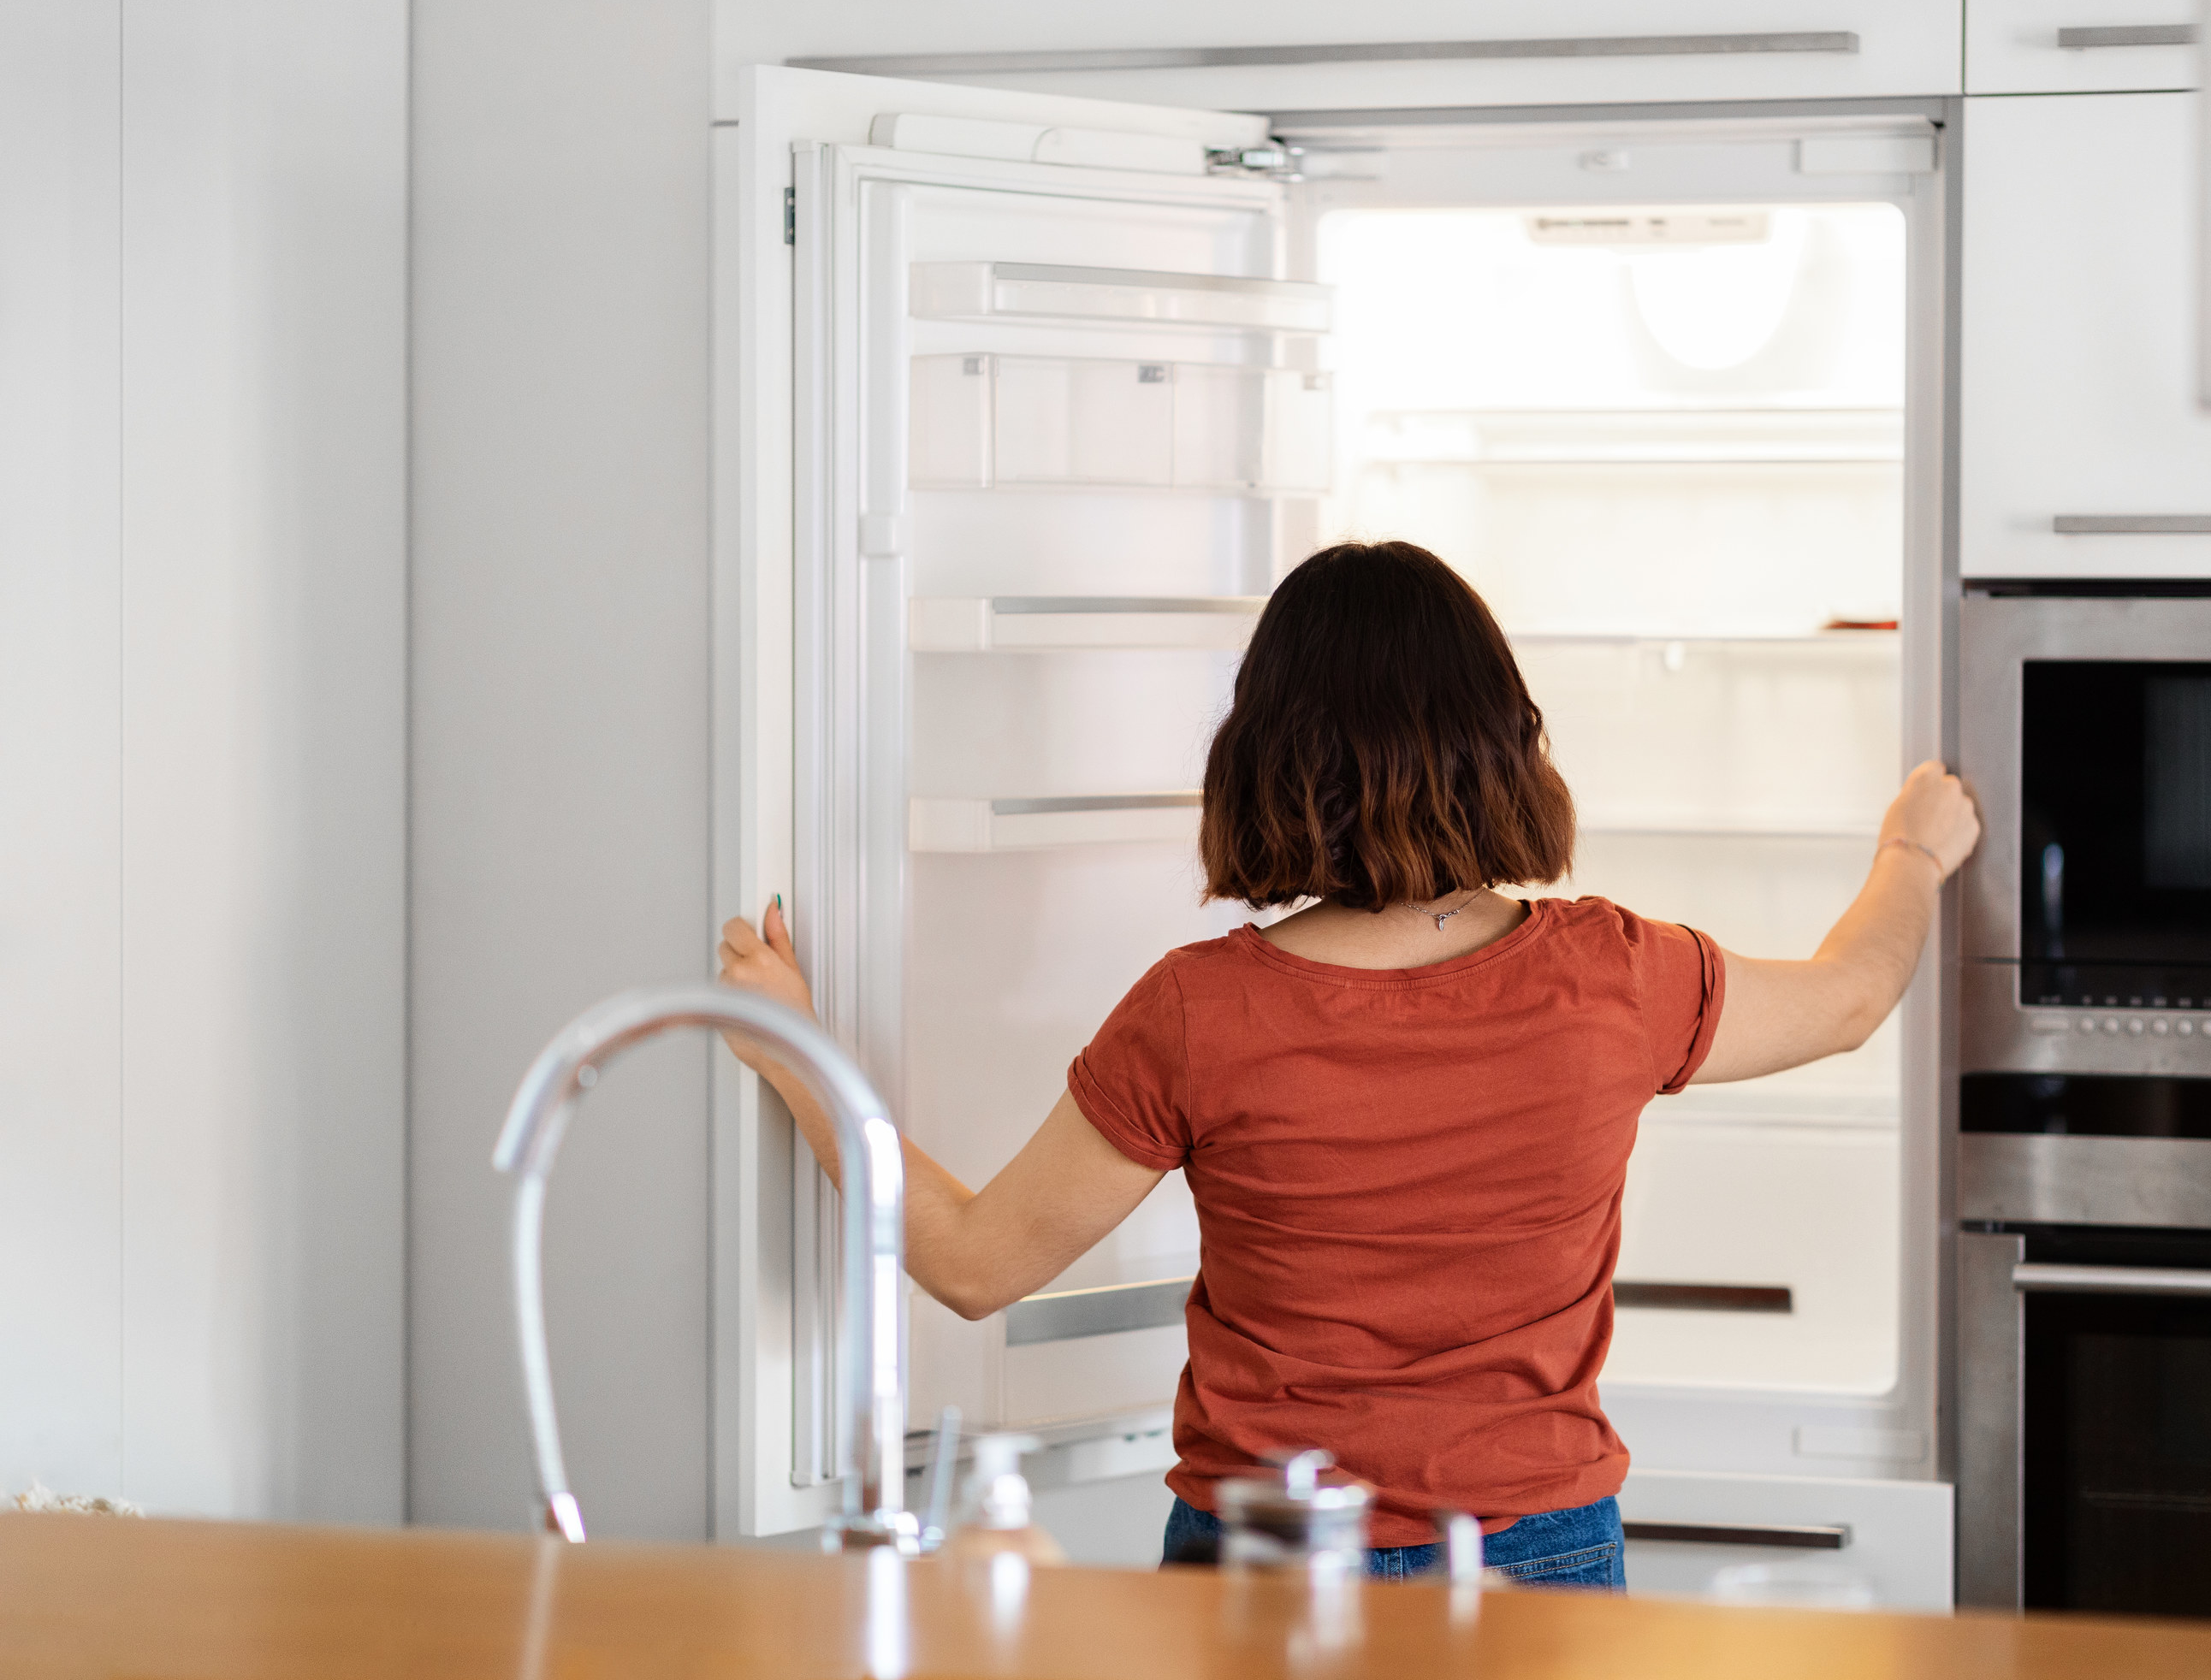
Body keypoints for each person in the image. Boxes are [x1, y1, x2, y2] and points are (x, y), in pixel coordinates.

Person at [717, 539, 1979, 1588]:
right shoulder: (1617, 977)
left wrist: (797, 1049)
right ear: (1508, 739)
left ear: (1266, 752)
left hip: (1266, 1566)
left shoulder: (1200, 1013)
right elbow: (1851, 998)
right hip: (1539, 1557)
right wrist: (1911, 852)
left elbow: (971, 1262)